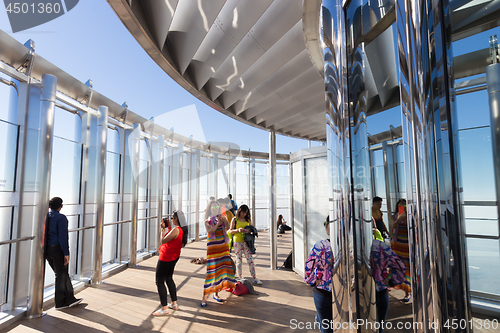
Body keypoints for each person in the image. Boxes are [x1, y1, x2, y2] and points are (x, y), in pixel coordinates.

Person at [45, 197, 82, 310]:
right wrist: (66, 253)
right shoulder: (61, 218)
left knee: (62, 274)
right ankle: (60, 303)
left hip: (46, 250)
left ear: (49, 206)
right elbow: (63, 237)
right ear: (61, 206)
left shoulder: (45, 217)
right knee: (60, 275)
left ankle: (70, 299)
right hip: (57, 249)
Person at [152, 211, 188, 316]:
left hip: (166, 258)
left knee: (159, 281)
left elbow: (163, 240)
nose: (171, 220)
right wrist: (168, 228)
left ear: (177, 219)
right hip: (174, 257)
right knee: (168, 278)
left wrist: (162, 229)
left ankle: (164, 308)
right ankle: (174, 303)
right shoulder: (181, 230)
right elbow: (172, 239)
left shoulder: (176, 230)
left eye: (172, 218)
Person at [201, 200, 235, 307]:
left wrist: (225, 221)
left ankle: (216, 294)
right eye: (213, 207)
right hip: (212, 250)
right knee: (211, 272)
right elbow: (210, 231)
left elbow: (229, 228)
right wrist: (219, 224)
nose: (215, 209)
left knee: (220, 271)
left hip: (222, 248)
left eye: (216, 207)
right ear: (209, 209)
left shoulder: (222, 217)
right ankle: (204, 297)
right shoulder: (207, 220)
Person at [371, 233, 406, 332]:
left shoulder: (348, 248)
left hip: (356, 296)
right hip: (380, 292)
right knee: (379, 329)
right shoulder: (380, 246)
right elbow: (400, 268)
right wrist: (391, 282)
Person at [304, 216, 334, 333]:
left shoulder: (321, 245)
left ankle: (320, 320)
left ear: (327, 228)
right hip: (345, 292)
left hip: (323, 291)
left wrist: (312, 281)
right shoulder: (350, 246)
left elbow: (309, 265)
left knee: (327, 327)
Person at [229, 205, 262, 284]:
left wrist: (248, 230)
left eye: (245, 213)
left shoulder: (247, 219)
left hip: (247, 242)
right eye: (243, 212)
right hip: (237, 241)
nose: (244, 214)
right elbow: (230, 231)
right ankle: (240, 278)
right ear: (239, 211)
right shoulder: (235, 219)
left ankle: (254, 277)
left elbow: (252, 228)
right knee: (239, 260)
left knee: (250, 260)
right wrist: (238, 230)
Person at [391, 199, 412, 302]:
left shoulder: (411, 216)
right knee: (400, 268)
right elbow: (393, 226)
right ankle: (406, 293)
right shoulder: (393, 216)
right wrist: (399, 219)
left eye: (405, 205)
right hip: (398, 246)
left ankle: (412, 290)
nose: (403, 206)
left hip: (408, 246)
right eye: (401, 205)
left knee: (409, 268)